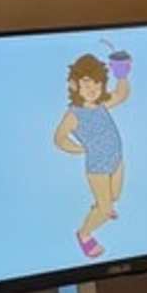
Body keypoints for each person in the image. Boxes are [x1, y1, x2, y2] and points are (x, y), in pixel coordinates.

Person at [53, 48, 132, 257]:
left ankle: (101, 206)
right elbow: (59, 138)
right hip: (97, 166)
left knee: (114, 196)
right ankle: (84, 233)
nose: (92, 89)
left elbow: (122, 95)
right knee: (106, 210)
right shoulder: (74, 114)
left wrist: (121, 74)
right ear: (74, 85)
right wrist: (79, 148)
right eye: (86, 83)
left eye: (97, 83)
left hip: (116, 159)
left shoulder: (100, 103)